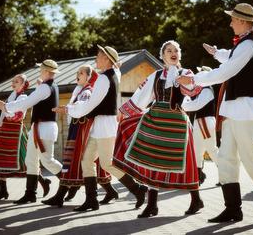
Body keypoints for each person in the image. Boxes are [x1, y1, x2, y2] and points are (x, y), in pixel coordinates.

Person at [177, 3, 253, 221]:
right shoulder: (245, 44)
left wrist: (193, 79)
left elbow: (229, 69)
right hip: (234, 110)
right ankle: (233, 209)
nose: (230, 23)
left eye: (232, 19)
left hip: (244, 110)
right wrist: (217, 52)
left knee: (251, 158)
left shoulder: (250, 45)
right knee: (227, 157)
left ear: (243, 22)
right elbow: (232, 57)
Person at [113, 40, 203, 218]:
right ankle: (152, 205)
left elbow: (192, 89)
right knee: (151, 159)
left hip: (177, 122)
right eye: (168, 50)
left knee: (186, 163)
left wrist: (181, 79)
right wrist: (123, 112)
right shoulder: (156, 75)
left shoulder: (185, 73)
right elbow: (142, 96)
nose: (172, 53)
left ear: (179, 55)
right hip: (155, 120)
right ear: (162, 56)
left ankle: (196, 199)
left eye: (176, 50)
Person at [56, 45, 147, 212]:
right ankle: (92, 200)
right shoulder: (111, 75)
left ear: (107, 59)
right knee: (87, 160)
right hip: (101, 125)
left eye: (98, 56)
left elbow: (91, 104)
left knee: (107, 163)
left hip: (105, 126)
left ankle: (137, 190)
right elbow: (116, 73)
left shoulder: (104, 78)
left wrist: (68, 109)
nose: (96, 59)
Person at [42, 64, 118, 207]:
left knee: (75, 163)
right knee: (76, 163)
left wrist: (67, 109)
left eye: (81, 73)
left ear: (89, 77)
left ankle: (63, 196)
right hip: (77, 130)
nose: (78, 74)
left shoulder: (88, 92)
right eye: (77, 72)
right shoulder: (80, 91)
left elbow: (83, 109)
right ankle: (108, 191)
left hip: (82, 131)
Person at [0, 59, 63, 204]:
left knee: (47, 160)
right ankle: (30, 194)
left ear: (45, 71)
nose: (39, 71)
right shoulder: (48, 86)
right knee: (30, 160)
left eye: (41, 69)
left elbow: (26, 103)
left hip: (44, 128)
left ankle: (69, 180)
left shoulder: (45, 88)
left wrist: (6, 107)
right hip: (39, 128)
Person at [181, 66, 219, 186]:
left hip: (205, 122)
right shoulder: (202, 90)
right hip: (201, 122)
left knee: (212, 150)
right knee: (197, 150)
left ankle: (226, 175)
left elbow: (195, 106)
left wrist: (184, 102)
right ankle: (198, 177)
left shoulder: (207, 90)